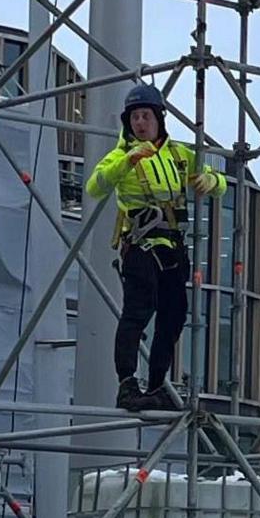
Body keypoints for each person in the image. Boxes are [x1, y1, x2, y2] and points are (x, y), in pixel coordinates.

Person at [82, 82, 223, 413]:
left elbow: (216, 180)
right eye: (134, 118)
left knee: (173, 317)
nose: (140, 123)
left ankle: (157, 384)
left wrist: (210, 182)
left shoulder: (177, 155)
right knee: (137, 312)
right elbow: (94, 187)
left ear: (159, 118)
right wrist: (127, 161)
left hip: (172, 248)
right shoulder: (121, 157)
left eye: (145, 116)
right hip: (141, 246)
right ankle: (127, 384)